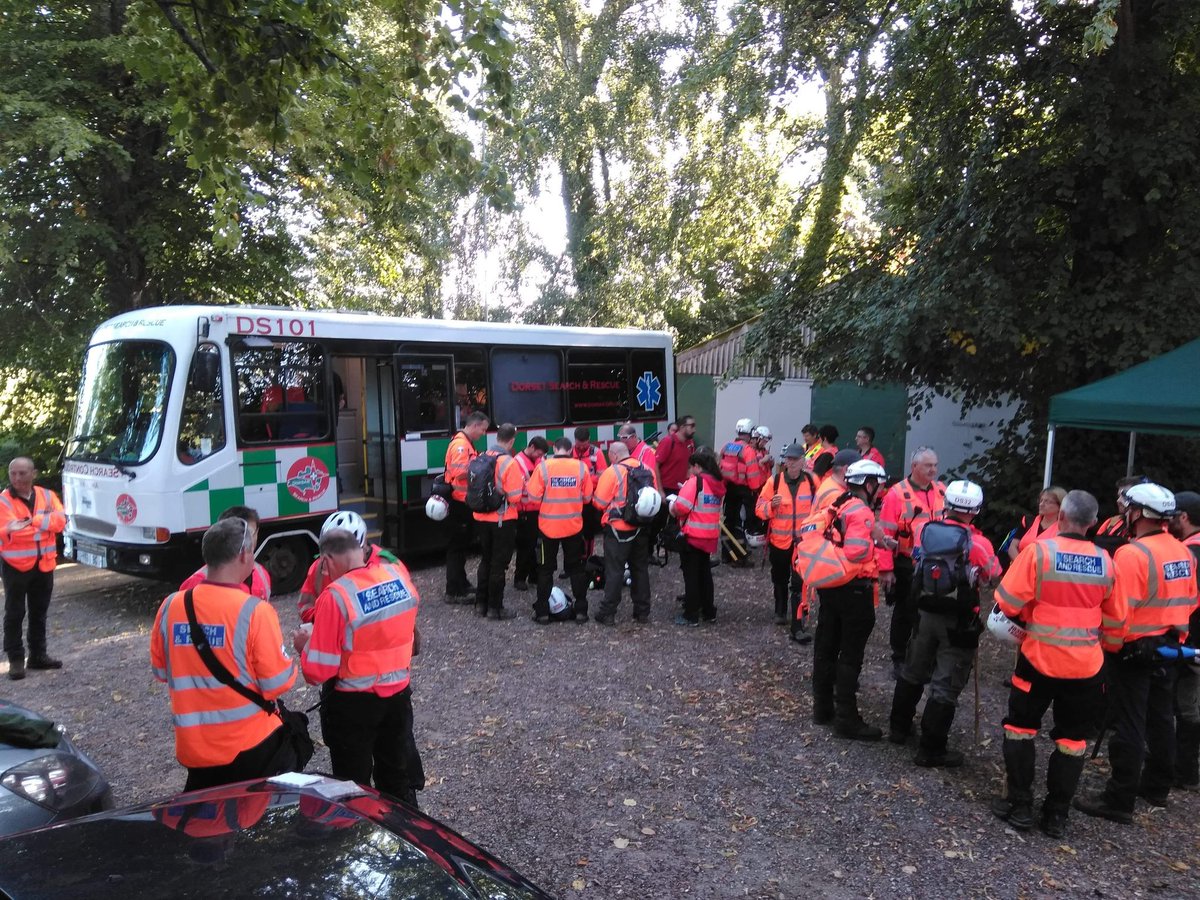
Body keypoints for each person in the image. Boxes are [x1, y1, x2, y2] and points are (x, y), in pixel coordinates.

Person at [990, 490, 1126, 838]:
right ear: (1094, 523)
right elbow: (1116, 620)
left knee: (1020, 729)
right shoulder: (1106, 561)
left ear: (1060, 517)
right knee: (1072, 740)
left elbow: (1005, 602)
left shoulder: (1039, 552)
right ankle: (1056, 815)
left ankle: (1020, 805)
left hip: (1038, 659)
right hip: (1086, 667)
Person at [1075, 483, 1198, 825]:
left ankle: (1119, 797)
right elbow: (1190, 601)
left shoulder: (1131, 554)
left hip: (1132, 649)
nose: (1124, 513)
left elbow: (1116, 614)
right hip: (1168, 647)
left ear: (1140, 513)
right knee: (1161, 718)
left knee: (1129, 722)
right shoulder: (1181, 551)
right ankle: (1157, 786)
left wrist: (1110, 648)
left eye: (1128, 508)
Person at [150, 518, 298, 790]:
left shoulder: (171, 606)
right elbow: (277, 682)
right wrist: (295, 656)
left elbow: (161, 671)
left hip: (194, 749)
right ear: (243, 555)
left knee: (206, 824)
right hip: (248, 747)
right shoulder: (255, 612)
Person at [293, 528, 423, 807]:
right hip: (398, 697)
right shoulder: (398, 577)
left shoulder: (336, 596)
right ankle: (405, 840)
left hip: (353, 705)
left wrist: (305, 645)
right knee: (396, 779)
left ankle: (358, 840)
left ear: (326, 560)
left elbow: (319, 671)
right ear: (362, 549)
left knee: (352, 787)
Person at [888, 480, 1003, 766]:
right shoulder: (978, 543)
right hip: (959, 620)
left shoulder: (924, 531)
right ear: (975, 510)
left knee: (913, 670)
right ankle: (931, 749)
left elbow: (917, 560)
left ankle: (898, 728)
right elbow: (993, 573)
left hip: (925, 611)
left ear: (946, 505)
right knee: (945, 683)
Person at [810, 458, 887, 740]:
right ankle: (847, 719)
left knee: (826, 645)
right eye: (877, 484)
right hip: (853, 588)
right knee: (850, 654)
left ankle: (822, 707)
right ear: (868, 484)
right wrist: (874, 541)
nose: (879, 489)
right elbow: (855, 552)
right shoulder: (862, 511)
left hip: (830, 583)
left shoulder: (838, 503)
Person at [877, 447, 946, 678]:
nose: (933, 470)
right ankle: (899, 657)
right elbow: (885, 534)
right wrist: (886, 569)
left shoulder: (942, 491)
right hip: (907, 563)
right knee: (905, 611)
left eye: (935, 465)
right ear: (914, 467)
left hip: (936, 563)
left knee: (930, 613)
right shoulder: (896, 494)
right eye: (928, 465)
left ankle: (924, 657)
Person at [1, 456, 66, 680]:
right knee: (15, 612)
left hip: (44, 563)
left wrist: (33, 520)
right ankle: (16, 660)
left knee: (39, 612)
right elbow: (12, 530)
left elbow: (61, 521)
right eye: (13, 473)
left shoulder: (47, 495)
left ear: (33, 474)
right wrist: (44, 523)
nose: (17, 478)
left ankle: (38, 656)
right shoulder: (3, 501)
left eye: (22, 473)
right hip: (15, 565)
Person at [525, 438, 593, 623]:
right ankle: (581, 611)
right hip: (573, 527)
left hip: (548, 528)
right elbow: (587, 498)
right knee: (577, 570)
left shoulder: (543, 467)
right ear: (571, 450)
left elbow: (532, 497)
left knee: (545, 571)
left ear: (554, 448)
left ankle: (542, 613)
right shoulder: (581, 468)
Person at [755, 442, 817, 635]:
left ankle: (798, 617)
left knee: (799, 582)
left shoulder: (813, 482)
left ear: (803, 461)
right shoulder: (774, 482)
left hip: (803, 543)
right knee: (779, 578)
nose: (790, 463)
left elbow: (821, 510)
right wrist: (771, 507)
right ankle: (780, 611)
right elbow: (759, 509)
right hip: (779, 542)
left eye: (795, 459)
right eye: (788, 459)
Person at [296, 510, 399, 625]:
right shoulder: (319, 567)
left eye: (341, 552)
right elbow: (305, 606)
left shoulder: (386, 565)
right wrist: (322, 618)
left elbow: (398, 610)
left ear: (361, 547)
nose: (329, 565)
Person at [593, 441, 656, 625]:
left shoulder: (612, 472)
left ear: (612, 455)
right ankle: (642, 612)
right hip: (641, 527)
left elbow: (599, 502)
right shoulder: (646, 469)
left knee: (615, 571)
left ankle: (608, 612)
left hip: (618, 529)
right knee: (640, 569)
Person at [473, 423, 525, 620]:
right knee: (499, 564)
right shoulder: (509, 463)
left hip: (480, 517)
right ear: (512, 440)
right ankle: (495, 608)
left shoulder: (482, 456)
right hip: (502, 519)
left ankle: (481, 603)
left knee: (485, 560)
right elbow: (515, 497)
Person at [671, 449, 725, 626]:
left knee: (691, 576)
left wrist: (672, 505)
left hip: (693, 535)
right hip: (709, 535)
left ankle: (691, 614)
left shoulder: (696, 482)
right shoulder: (716, 483)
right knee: (705, 575)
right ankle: (709, 612)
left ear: (697, 466)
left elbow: (681, 507)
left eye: (691, 467)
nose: (690, 470)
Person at [1168, 491, 1200, 791]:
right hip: (1192, 641)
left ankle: (1185, 772)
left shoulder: (1190, 552)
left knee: (1184, 706)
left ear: (1185, 518)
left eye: (1173, 516)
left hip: (1190, 642)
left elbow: (1186, 601)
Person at [179, 506, 272, 602]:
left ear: (257, 533)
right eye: (237, 534)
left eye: (249, 533)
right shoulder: (195, 584)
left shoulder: (262, 575)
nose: (244, 539)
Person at [444, 411, 489, 600]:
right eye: (483, 429)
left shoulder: (464, 443)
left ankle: (461, 583)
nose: (484, 434)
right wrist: (480, 465)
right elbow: (460, 472)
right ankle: (454, 591)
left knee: (461, 547)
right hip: (460, 503)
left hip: (464, 502)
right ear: (475, 425)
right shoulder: (462, 445)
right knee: (457, 548)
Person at [719, 418, 765, 559]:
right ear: (750, 432)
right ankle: (739, 555)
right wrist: (756, 491)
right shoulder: (748, 450)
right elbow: (753, 476)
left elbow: (720, 467)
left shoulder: (726, 447)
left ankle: (727, 554)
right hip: (744, 492)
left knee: (728, 521)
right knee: (741, 523)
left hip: (729, 490)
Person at [511, 436, 549, 592]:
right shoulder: (517, 462)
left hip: (539, 510)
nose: (540, 457)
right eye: (539, 453)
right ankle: (520, 578)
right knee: (525, 547)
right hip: (525, 511)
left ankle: (534, 576)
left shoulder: (540, 460)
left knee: (537, 546)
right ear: (531, 447)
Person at [572, 427, 609, 557]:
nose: (581, 448)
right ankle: (573, 560)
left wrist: (585, 481)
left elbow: (603, 476)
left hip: (589, 499)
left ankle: (587, 558)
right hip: (572, 499)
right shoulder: (570, 452)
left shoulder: (596, 453)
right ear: (575, 440)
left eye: (585, 445)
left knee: (588, 531)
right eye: (579, 445)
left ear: (589, 440)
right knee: (572, 532)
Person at [1006, 487, 1067, 562]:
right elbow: (1012, 547)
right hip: (1019, 567)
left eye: (1048, 502)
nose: (1041, 504)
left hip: (1044, 571)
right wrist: (1022, 564)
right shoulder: (1028, 521)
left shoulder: (1063, 529)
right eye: (1041, 500)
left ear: (1060, 506)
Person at [1092, 476, 1144, 553]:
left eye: (1124, 496)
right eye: (1118, 496)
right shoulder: (1111, 523)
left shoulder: (1148, 525)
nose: (1118, 500)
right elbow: (1096, 549)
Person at [656, 415, 697, 494]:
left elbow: (690, 465)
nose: (694, 430)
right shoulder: (668, 441)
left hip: (683, 488)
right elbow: (656, 465)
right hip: (667, 489)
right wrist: (660, 490)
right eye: (692, 426)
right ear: (682, 427)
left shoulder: (690, 443)